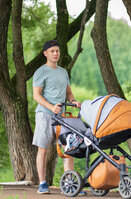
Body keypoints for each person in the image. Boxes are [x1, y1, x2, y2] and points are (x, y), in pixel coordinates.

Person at [32, 40, 86, 195]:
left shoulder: (63, 72)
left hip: (62, 117)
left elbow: (68, 93)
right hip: (45, 115)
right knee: (43, 150)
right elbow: (36, 95)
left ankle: (70, 184)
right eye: (52, 51)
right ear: (45, 53)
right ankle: (42, 184)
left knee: (69, 148)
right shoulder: (40, 72)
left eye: (57, 51)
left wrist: (74, 101)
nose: (55, 53)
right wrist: (51, 107)